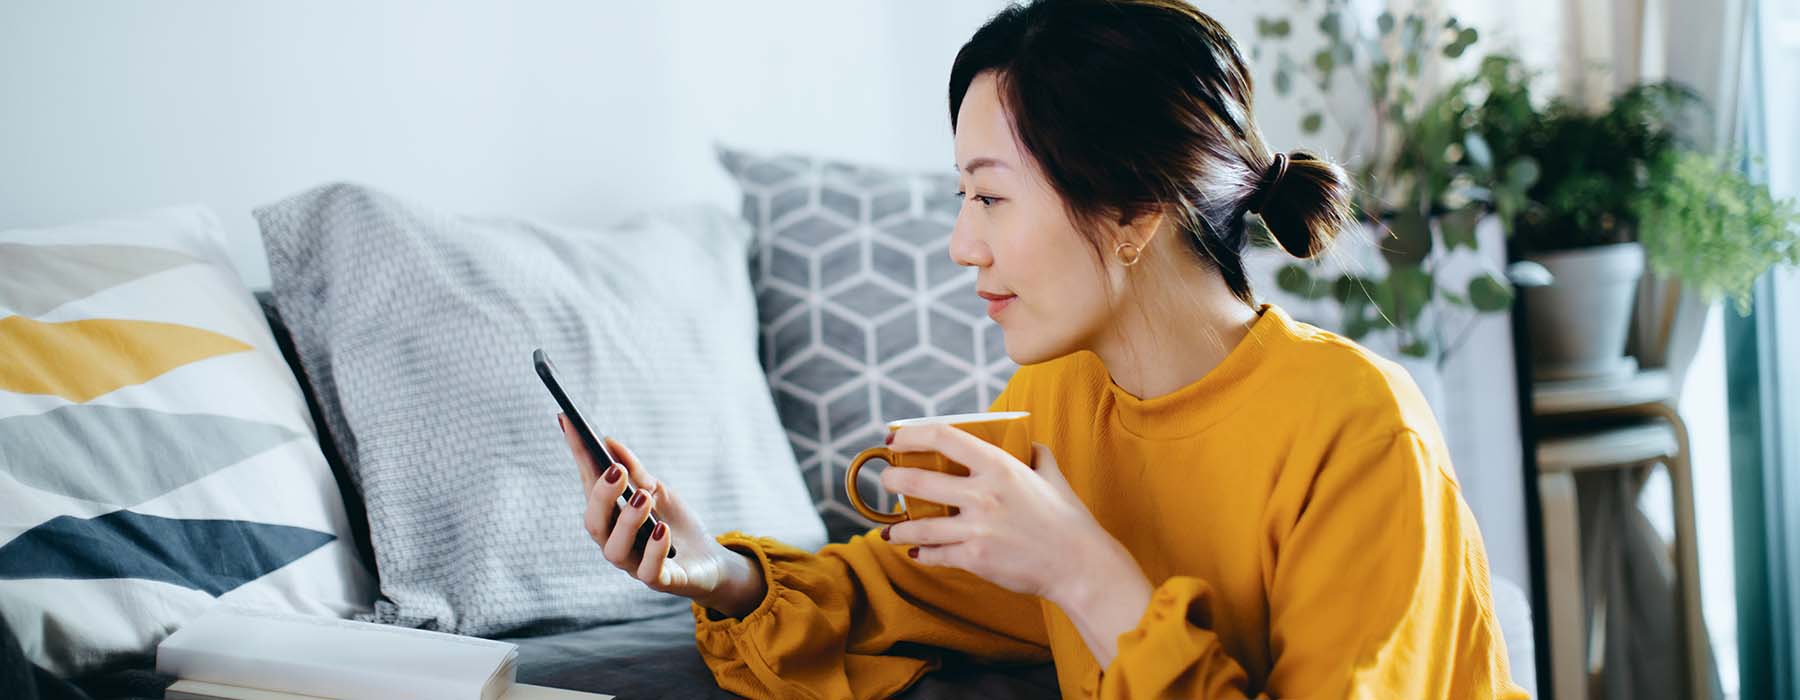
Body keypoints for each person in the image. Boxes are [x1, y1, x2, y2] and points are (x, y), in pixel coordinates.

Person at [558, 0, 1528, 697]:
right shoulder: (1057, 397)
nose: (960, 243)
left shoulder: (1357, 425)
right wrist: (714, 570)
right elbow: (899, 594)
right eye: (960, 196)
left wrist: (1082, 571)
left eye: (989, 196)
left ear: (1137, 211)